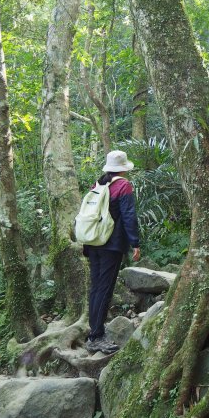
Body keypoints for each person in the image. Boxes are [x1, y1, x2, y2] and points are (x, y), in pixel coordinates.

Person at [84, 150, 140, 354]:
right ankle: (96, 336)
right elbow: (128, 216)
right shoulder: (123, 185)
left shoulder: (99, 184)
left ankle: (94, 331)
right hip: (111, 245)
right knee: (104, 289)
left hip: (92, 243)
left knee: (96, 288)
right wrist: (135, 242)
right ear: (123, 169)